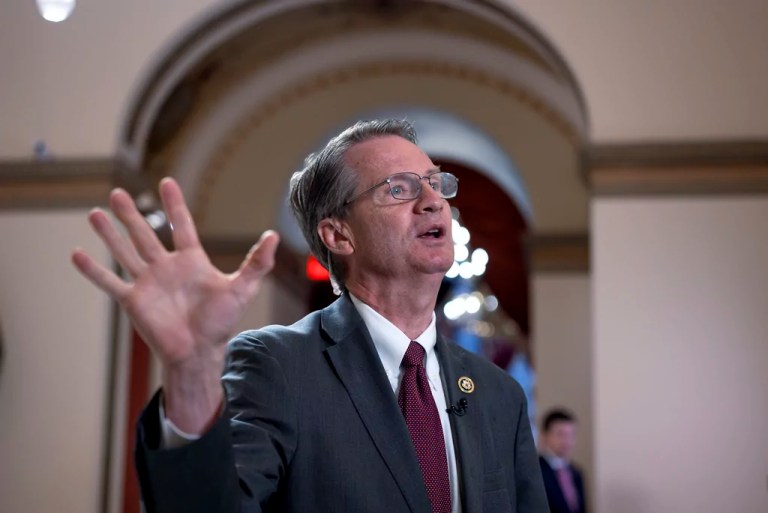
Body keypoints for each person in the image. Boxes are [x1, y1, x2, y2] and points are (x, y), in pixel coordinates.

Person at [72, 119, 548, 513]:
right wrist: (192, 375)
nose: (433, 201)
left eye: (434, 182)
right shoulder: (278, 365)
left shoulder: (497, 394)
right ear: (339, 236)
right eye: (399, 189)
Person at [538, 408, 587, 513]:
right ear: (544, 435)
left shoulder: (577, 472)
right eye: (560, 434)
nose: (566, 440)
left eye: (571, 434)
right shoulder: (536, 471)